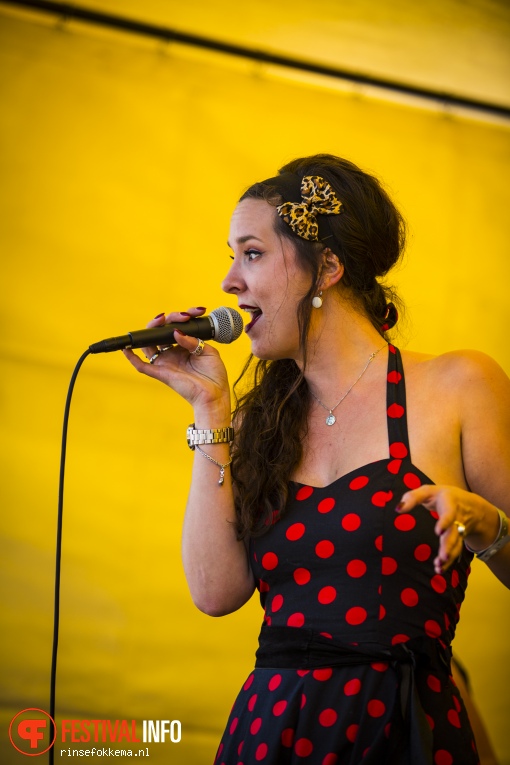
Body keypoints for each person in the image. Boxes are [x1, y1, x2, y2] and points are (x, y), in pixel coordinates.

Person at [123, 154, 510, 764]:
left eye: (251, 254)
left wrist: (490, 530)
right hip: (272, 728)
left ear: (326, 267)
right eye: (231, 256)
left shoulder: (459, 386)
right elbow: (215, 591)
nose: (228, 281)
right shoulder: (256, 422)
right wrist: (209, 410)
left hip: (401, 727)